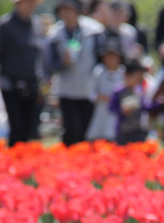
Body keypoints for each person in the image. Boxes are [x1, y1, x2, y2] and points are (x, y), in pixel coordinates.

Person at [45, 0, 106, 145]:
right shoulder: (54, 34)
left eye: (69, 10)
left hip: (88, 88)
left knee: (87, 129)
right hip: (66, 89)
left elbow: (101, 59)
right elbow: (49, 64)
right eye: (62, 11)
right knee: (71, 129)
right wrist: (62, 63)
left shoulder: (94, 30)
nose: (66, 14)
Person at [0, 0, 44, 145]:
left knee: (29, 128)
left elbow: (41, 55)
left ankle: (24, 161)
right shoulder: (5, 25)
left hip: (32, 83)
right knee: (17, 126)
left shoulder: (37, 24)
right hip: (10, 84)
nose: (30, 5)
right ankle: (13, 160)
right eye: (27, 2)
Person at [87, 40, 125, 139]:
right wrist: (99, 96)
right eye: (108, 56)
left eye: (113, 56)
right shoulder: (99, 72)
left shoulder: (123, 73)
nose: (111, 59)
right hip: (101, 110)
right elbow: (91, 93)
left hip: (117, 112)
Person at [109, 59, 150, 144]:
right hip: (123, 131)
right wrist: (122, 110)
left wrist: (158, 103)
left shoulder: (139, 90)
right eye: (137, 77)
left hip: (137, 130)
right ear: (127, 75)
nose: (139, 80)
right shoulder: (118, 91)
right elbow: (111, 108)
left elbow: (144, 106)